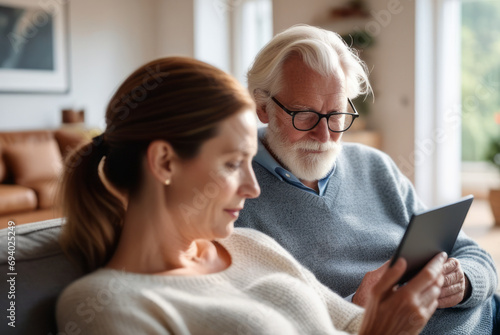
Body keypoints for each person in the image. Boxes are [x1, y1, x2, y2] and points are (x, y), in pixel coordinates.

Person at [56, 57, 446, 335]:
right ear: (164, 162)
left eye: (249, 161)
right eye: (231, 164)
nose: (254, 187)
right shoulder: (105, 305)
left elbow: (354, 324)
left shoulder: (248, 245)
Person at [235, 24, 500, 334]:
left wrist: (462, 282)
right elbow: (260, 322)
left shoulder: (374, 165)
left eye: (336, 114)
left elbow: (474, 254)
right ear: (262, 107)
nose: (324, 135)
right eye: (304, 114)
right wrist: (357, 314)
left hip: (487, 316)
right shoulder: (234, 195)